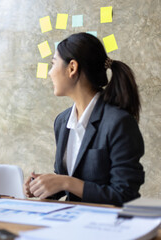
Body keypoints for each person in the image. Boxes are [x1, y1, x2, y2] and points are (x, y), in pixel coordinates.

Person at [24, 32, 144, 206]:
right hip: (72, 221)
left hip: (106, 227)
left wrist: (66, 182)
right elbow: (68, 182)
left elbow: (125, 195)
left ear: (72, 68)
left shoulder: (119, 122)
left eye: (53, 64)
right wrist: (45, 185)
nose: (50, 73)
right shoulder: (62, 121)